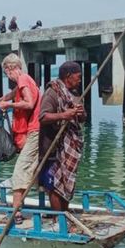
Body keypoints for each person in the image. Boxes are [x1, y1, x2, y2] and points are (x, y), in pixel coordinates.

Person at [0, 53, 40, 224]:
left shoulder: (23, 79)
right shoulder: (25, 81)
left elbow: (29, 103)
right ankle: (46, 208)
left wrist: (8, 106)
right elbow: (10, 95)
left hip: (34, 132)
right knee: (33, 172)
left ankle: (16, 214)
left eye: (6, 72)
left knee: (20, 172)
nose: (7, 76)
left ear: (10, 69)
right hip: (34, 132)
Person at [39, 61, 85, 212]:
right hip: (54, 147)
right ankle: (58, 220)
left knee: (67, 184)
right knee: (55, 186)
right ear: (68, 76)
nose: (80, 80)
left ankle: (65, 216)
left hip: (70, 147)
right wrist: (65, 115)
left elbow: (82, 118)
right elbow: (43, 117)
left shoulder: (76, 94)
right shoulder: (52, 92)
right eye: (78, 77)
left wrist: (80, 113)